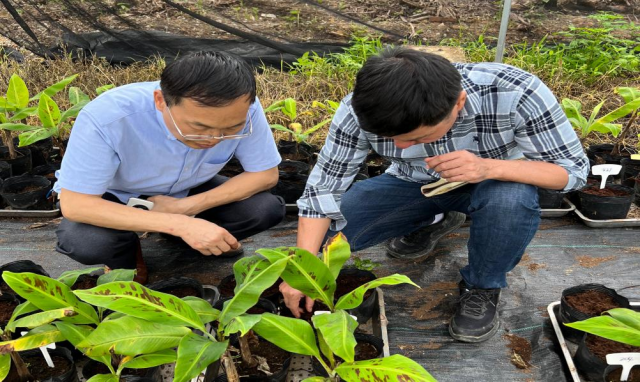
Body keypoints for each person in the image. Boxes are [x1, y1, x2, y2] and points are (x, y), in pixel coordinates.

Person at [280, 46, 589, 343]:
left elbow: (573, 171)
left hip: (494, 181)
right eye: (391, 139)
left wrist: (486, 168)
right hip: (411, 184)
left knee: (510, 202)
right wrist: (304, 270)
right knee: (330, 238)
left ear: (458, 103)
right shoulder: (358, 110)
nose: (401, 147)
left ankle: (481, 287)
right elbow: (323, 189)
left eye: (418, 137)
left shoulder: (515, 92)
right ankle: (434, 218)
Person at [54, 51, 285, 284]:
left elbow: (265, 174)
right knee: (87, 241)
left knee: (263, 209)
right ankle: (126, 259)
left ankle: (188, 239)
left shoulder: (243, 109)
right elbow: (76, 205)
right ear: (160, 101)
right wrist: (180, 224)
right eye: (199, 127)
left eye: (231, 129)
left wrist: (185, 208)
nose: (214, 138)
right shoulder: (108, 117)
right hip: (115, 195)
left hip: (186, 189)